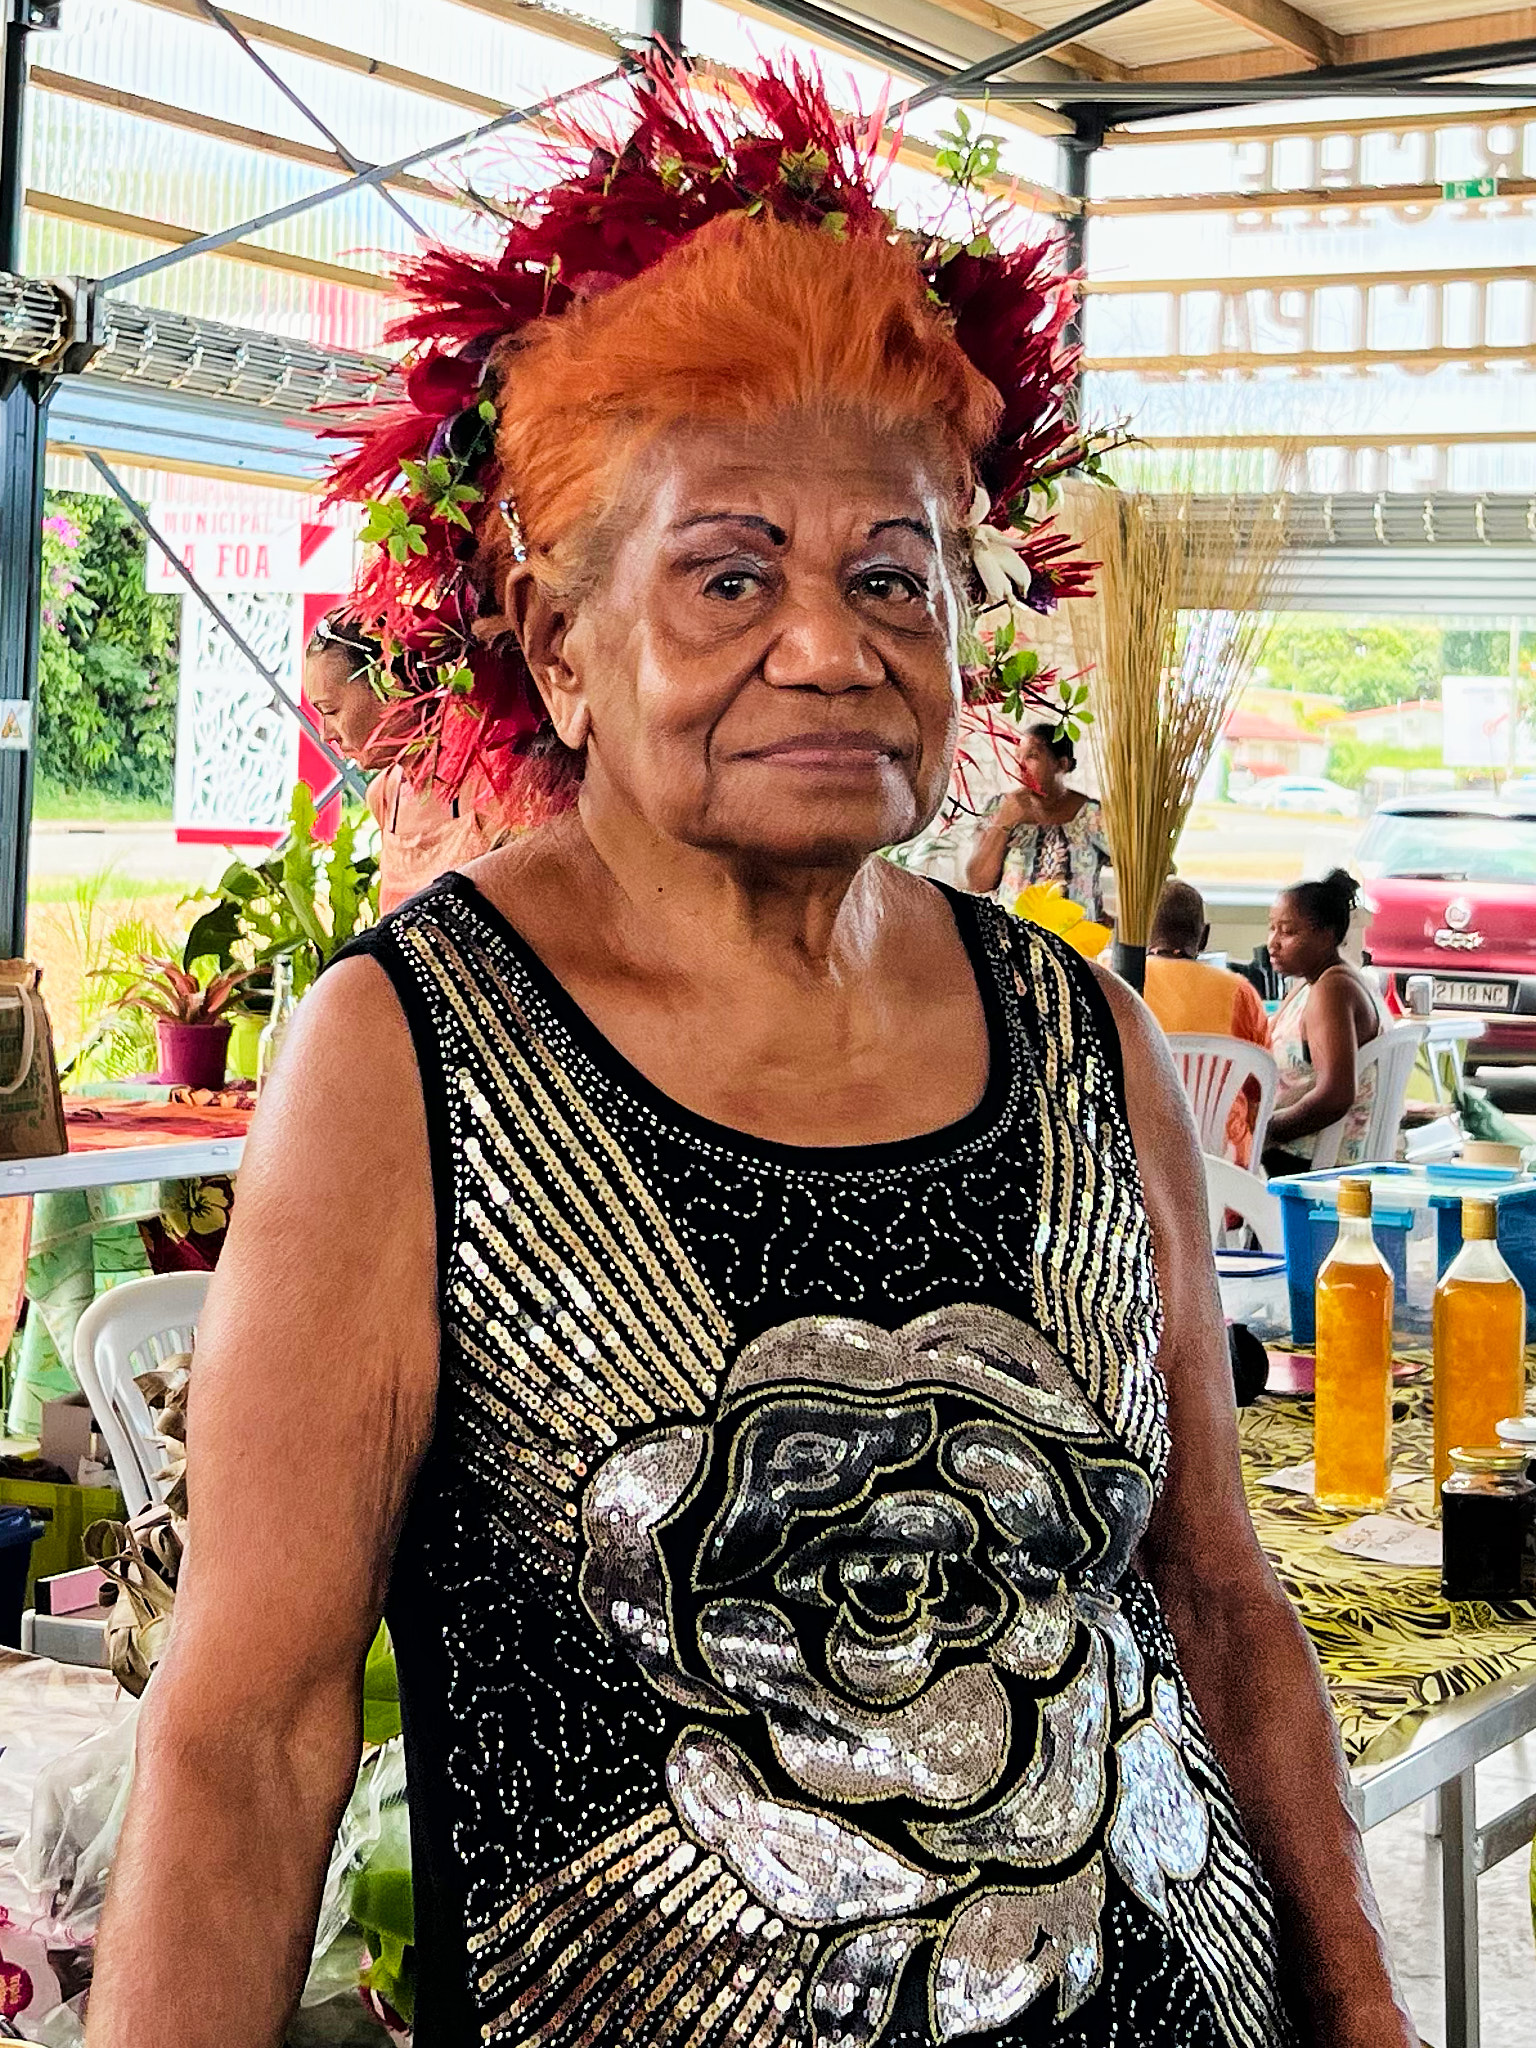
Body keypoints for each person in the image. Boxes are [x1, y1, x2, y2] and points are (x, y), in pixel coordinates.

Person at [89, 68, 1415, 2048]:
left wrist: (1367, 2017)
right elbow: (255, 1734)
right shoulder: (412, 1053)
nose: (828, 643)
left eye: (893, 575)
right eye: (729, 575)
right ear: (560, 642)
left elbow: (1215, 1604)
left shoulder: (1085, 1035)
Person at [304, 613, 503, 914]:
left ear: (389, 688)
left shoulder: (490, 784)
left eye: (330, 710)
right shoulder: (385, 796)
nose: (325, 733)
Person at [1264, 868, 1392, 1177]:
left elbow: (1335, 1096)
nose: (1273, 943)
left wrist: (1266, 1133)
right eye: (1271, 929)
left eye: (1288, 932)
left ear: (1326, 935)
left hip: (1313, 1159)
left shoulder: (1332, 990)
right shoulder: (1319, 982)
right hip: (1305, 1150)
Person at [1143, 879, 1271, 1167]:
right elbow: (1259, 1088)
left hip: (1142, 1162)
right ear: (1204, 938)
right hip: (1226, 1166)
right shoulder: (1239, 991)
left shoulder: (1119, 983)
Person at [964, 723, 1111, 920]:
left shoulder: (1092, 814)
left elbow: (1131, 867)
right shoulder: (1000, 808)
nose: (1021, 765)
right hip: (1012, 939)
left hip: (1073, 940)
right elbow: (978, 883)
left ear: (1061, 764)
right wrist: (1003, 824)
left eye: (1032, 756)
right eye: (1018, 756)